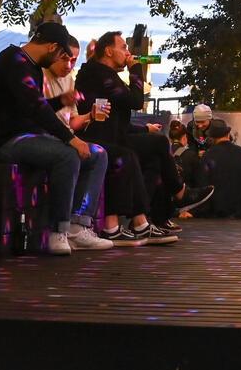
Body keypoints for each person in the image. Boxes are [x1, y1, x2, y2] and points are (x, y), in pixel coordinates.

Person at [0, 22, 113, 254]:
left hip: (25, 136)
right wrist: (71, 139)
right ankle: (58, 231)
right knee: (68, 155)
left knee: (98, 155)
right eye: (63, 54)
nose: (64, 61)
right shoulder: (14, 60)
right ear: (52, 47)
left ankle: (79, 226)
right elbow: (35, 109)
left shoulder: (31, 66)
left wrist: (60, 101)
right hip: (2, 142)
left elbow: (28, 107)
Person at [75, 32, 180, 245]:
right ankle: (178, 194)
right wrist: (135, 70)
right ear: (108, 50)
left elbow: (119, 119)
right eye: (123, 47)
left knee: (152, 159)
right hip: (101, 139)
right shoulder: (98, 73)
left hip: (115, 137)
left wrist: (144, 129)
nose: (128, 53)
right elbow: (134, 101)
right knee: (134, 153)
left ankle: (146, 220)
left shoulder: (105, 74)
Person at [192, 118, 241, 218]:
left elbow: (203, 189)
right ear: (228, 134)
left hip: (220, 215)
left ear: (211, 137)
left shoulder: (207, 156)